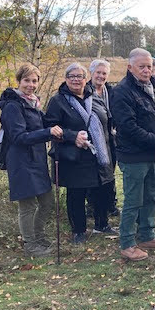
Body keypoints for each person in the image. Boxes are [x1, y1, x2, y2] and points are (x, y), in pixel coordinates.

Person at [111, 48, 155, 261]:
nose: (147, 70)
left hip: (152, 154)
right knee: (133, 200)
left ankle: (147, 235)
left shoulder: (151, 88)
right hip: (133, 156)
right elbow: (128, 127)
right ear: (130, 67)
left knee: (150, 197)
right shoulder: (122, 91)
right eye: (142, 67)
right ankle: (127, 242)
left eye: (149, 66)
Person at [44, 63, 115, 244]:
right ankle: (79, 231)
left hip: (99, 154)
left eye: (79, 76)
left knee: (102, 190)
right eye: (71, 76)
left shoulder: (95, 97)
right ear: (66, 79)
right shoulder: (58, 101)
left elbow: (107, 121)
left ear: (86, 79)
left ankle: (102, 224)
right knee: (76, 194)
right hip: (74, 156)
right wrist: (72, 136)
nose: (76, 79)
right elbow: (50, 127)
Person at [0, 65, 63, 257]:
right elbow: (18, 137)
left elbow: (46, 124)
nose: (31, 85)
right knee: (27, 205)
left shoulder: (33, 103)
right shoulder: (13, 106)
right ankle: (30, 245)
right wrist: (48, 132)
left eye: (34, 81)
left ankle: (39, 237)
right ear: (19, 81)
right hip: (20, 161)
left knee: (47, 201)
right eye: (27, 80)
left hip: (36, 159)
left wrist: (65, 131)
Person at [89, 59, 119, 221]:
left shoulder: (110, 91)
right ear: (91, 73)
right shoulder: (86, 91)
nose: (101, 76)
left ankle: (110, 204)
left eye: (104, 73)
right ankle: (92, 206)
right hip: (93, 139)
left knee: (110, 171)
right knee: (95, 175)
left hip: (110, 138)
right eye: (98, 73)